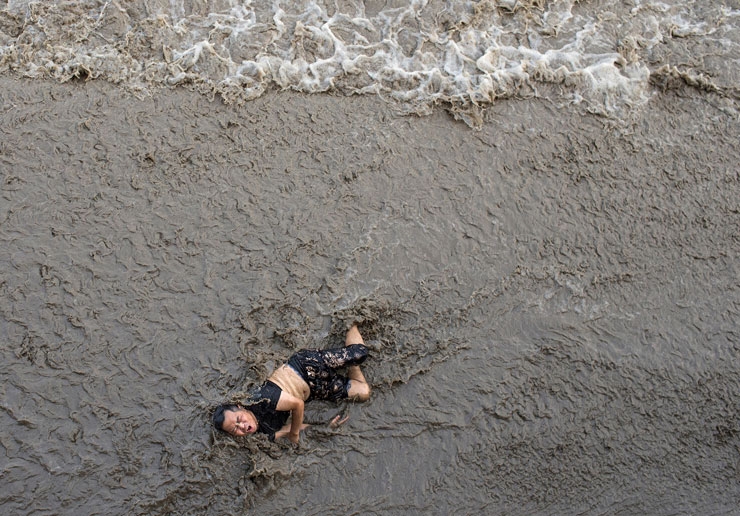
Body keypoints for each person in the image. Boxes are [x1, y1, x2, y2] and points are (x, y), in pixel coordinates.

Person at [212, 324, 371, 443]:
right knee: (364, 393)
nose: (241, 426)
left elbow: (297, 405)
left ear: (241, 407)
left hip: (306, 368)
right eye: (235, 430)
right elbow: (290, 429)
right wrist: (324, 428)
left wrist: (295, 436)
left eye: (239, 419)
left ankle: (350, 323)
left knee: (360, 353)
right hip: (313, 391)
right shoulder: (265, 435)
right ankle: (350, 365)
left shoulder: (262, 398)